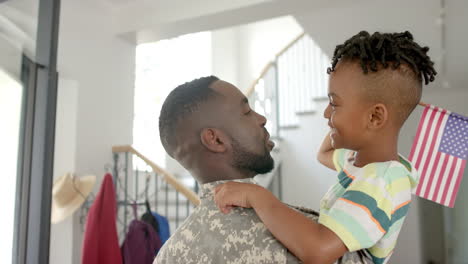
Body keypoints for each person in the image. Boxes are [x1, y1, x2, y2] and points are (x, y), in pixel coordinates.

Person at [214, 31, 437, 264]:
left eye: (334, 103)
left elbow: (319, 250)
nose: (325, 113)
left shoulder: (383, 180)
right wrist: (336, 124)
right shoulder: (357, 161)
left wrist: (256, 196)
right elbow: (324, 155)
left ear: (375, 116)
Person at [153, 76, 367, 264]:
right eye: (246, 112)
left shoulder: (168, 256)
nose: (261, 119)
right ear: (216, 139)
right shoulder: (313, 242)